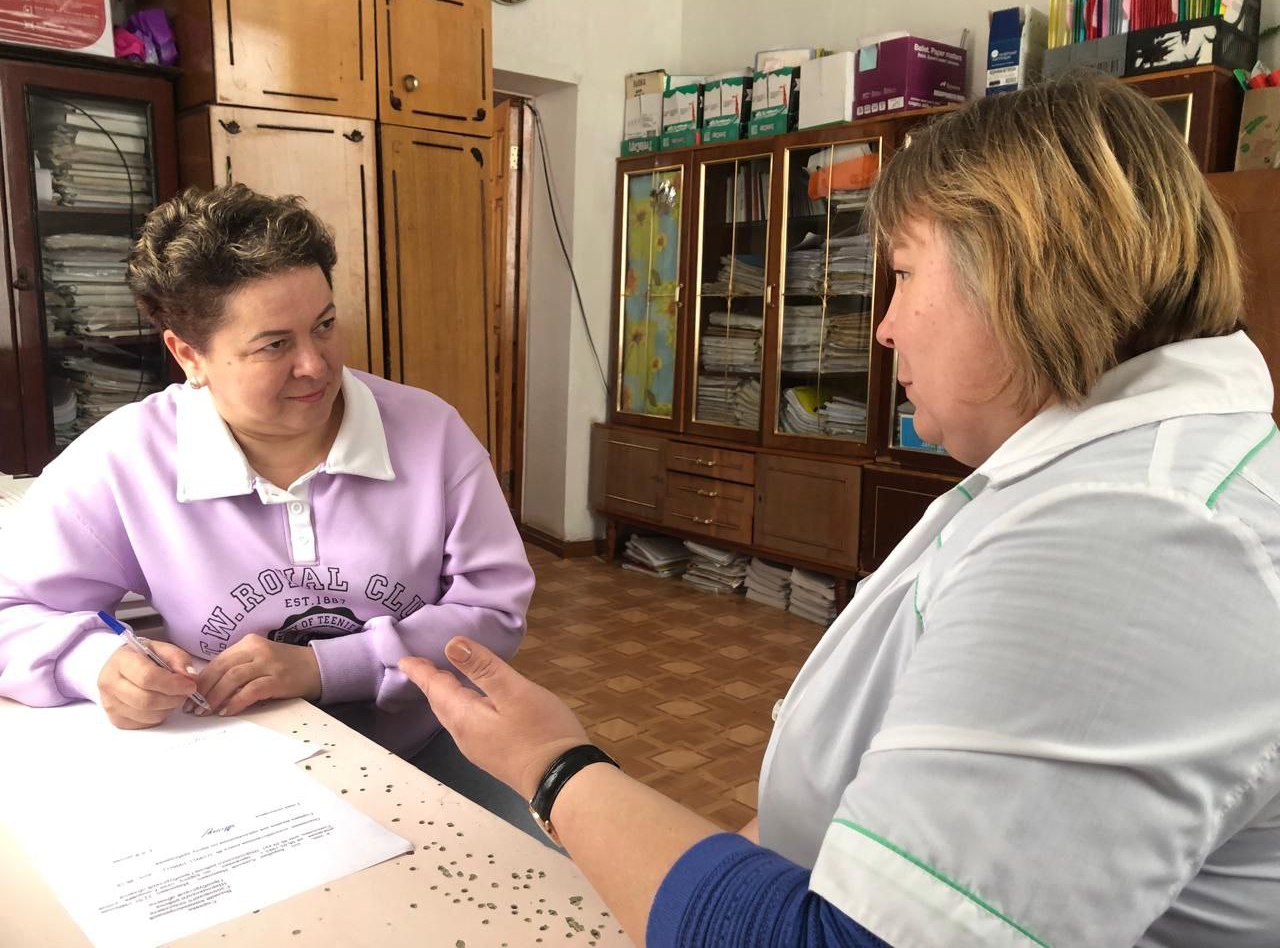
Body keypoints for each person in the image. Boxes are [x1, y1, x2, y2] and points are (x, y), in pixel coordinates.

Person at [400, 75, 1280, 947]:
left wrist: (553, 766)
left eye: (902, 274)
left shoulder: (1131, 537)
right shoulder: (1089, 480)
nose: (885, 327)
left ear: (1018, 271)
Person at [0, 185, 538, 831]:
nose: (316, 365)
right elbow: (11, 610)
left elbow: (495, 613)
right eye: (274, 345)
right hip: (235, 766)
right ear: (189, 355)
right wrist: (91, 662)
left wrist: (323, 667)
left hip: (426, 745)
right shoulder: (124, 460)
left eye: (325, 325)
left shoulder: (431, 432)